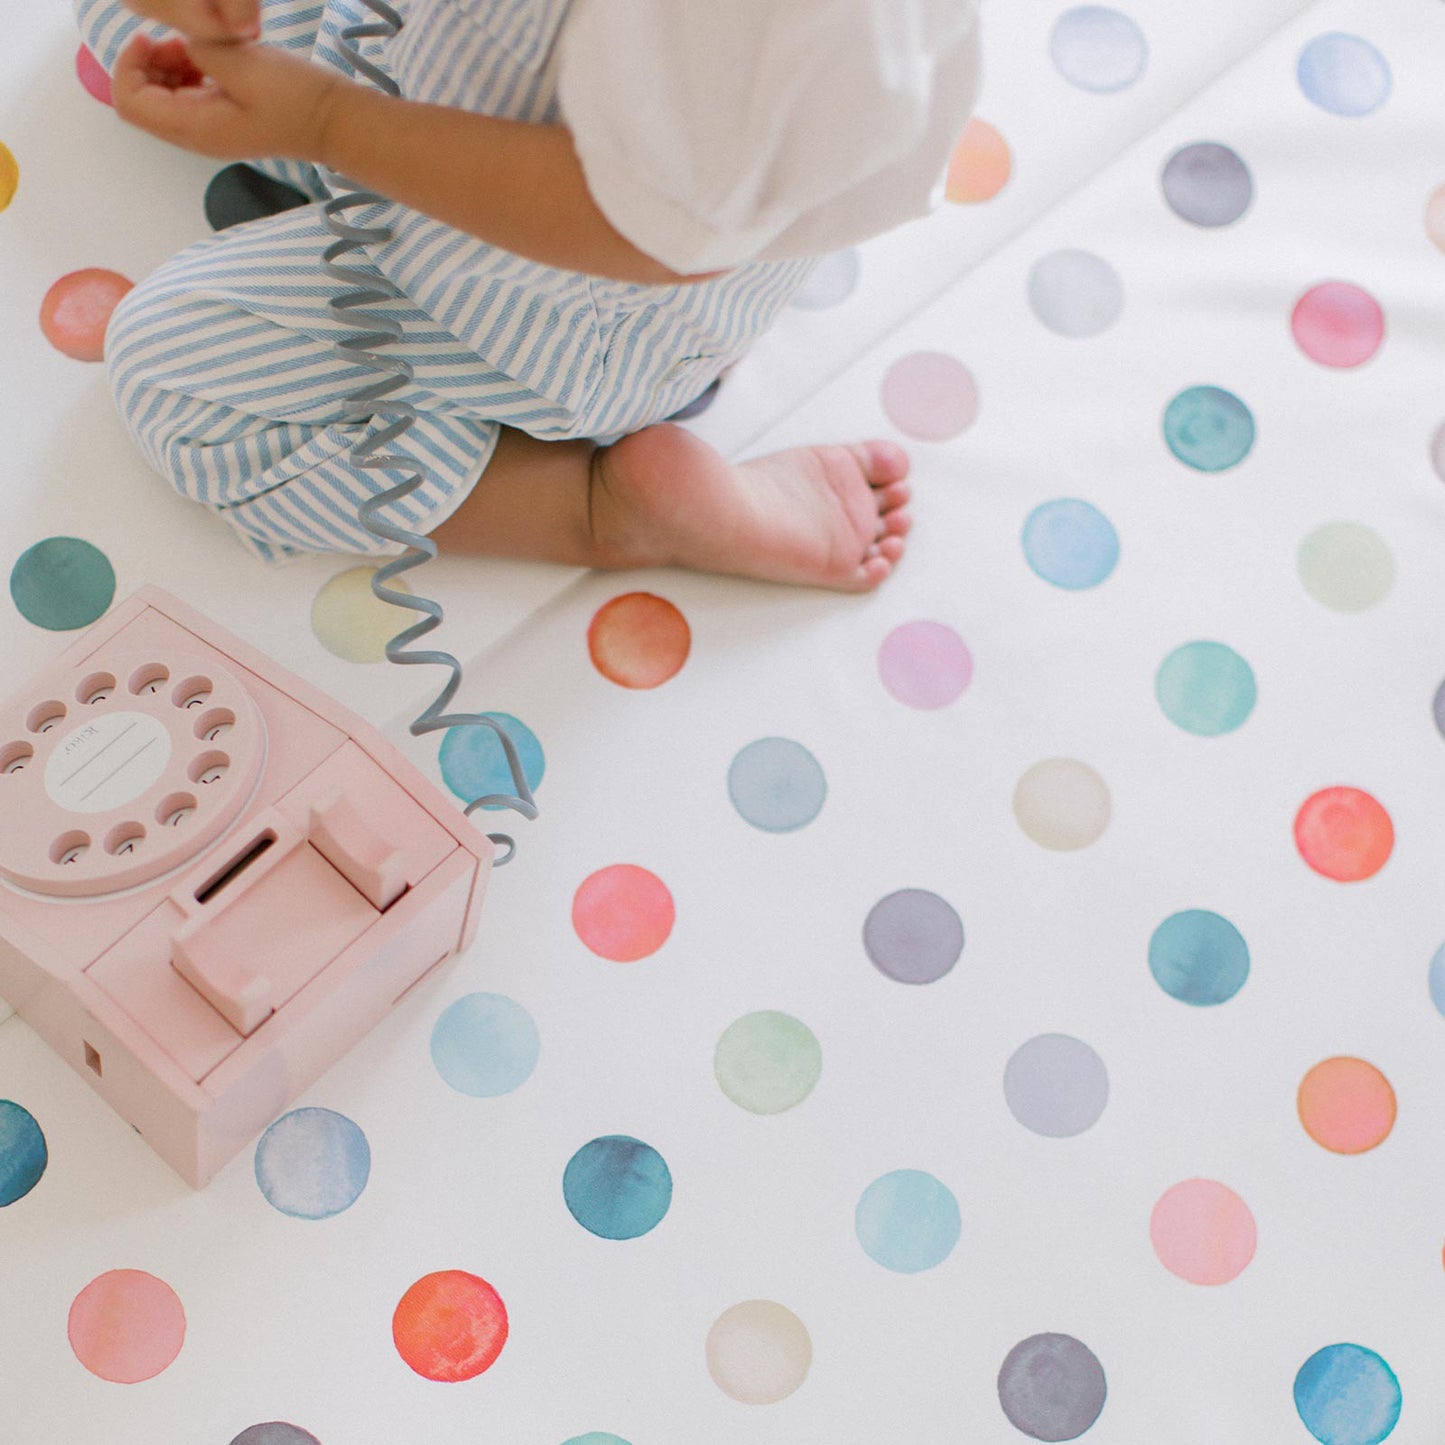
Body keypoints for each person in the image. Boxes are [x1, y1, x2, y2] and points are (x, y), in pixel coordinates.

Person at [79, 0, 981, 591]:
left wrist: (325, 123)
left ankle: (594, 512)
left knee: (172, 372)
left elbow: (649, 229)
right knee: (118, 18)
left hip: (562, 283)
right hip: (414, 49)